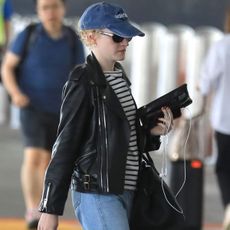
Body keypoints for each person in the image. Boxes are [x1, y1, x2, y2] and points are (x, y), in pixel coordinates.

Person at [37, 2, 174, 230]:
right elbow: (65, 146)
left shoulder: (119, 77)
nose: (125, 42)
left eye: (127, 37)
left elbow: (118, 137)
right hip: (98, 193)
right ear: (91, 38)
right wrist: (49, 208)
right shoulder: (82, 80)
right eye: (117, 37)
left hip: (128, 189)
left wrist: (151, 132)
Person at [1, 0, 85, 229]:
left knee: (49, 161)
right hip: (31, 106)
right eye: (44, 7)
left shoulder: (71, 38)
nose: (50, 12)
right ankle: (32, 210)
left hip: (61, 109)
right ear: (38, 11)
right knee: (33, 156)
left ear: (63, 9)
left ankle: (43, 207)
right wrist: (16, 93)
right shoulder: (28, 35)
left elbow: (80, 73)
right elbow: (7, 67)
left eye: (54, 6)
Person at [199, 8, 230, 230]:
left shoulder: (222, 46)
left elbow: (206, 81)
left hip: (225, 120)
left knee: (224, 169)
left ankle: (229, 207)